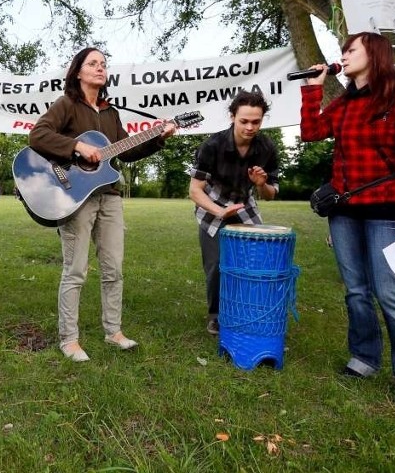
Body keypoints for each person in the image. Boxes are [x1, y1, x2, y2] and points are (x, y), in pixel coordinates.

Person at [300, 31, 395, 410]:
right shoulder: (343, 105)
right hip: (344, 211)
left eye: (351, 49)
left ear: (374, 54)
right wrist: (314, 88)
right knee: (356, 291)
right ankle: (364, 357)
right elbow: (311, 132)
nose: (343, 55)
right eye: (342, 50)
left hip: (386, 211)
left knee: (391, 293)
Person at [28, 47, 177, 362]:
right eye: (92, 63)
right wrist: (76, 146)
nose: (99, 68)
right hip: (75, 196)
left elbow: (126, 151)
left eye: (103, 64)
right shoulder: (67, 104)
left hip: (109, 195)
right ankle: (69, 339)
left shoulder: (111, 113)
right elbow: (38, 135)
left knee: (114, 269)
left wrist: (159, 138)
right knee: (76, 270)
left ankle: (114, 332)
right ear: (78, 72)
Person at [188, 91, 280, 336]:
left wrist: (261, 184)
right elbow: (195, 191)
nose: (250, 127)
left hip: (244, 203)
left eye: (256, 122)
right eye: (244, 121)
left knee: (255, 260)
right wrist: (220, 211)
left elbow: (271, 194)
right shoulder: (212, 145)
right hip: (213, 202)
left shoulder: (267, 147)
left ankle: (249, 308)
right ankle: (216, 316)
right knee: (216, 264)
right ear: (232, 117)